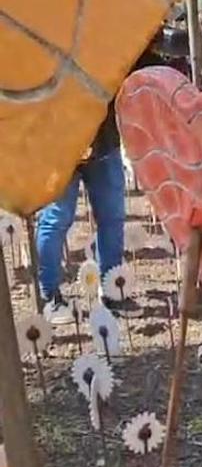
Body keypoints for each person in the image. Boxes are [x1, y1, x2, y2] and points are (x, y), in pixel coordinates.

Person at [38, 47, 165, 322]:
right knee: (57, 217)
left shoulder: (107, 24)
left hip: (103, 142)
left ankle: (111, 290)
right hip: (59, 144)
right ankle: (49, 296)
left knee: (112, 217)